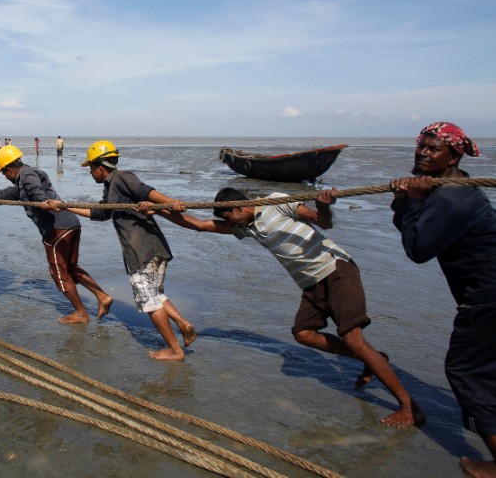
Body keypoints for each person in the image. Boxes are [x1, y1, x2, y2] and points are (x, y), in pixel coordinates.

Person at [163, 186, 425, 428]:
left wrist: (323, 206)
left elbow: (323, 222)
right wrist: (159, 210)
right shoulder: (245, 226)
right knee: (304, 334)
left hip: (335, 269)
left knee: (354, 339)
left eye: (231, 220)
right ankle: (372, 358)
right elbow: (199, 225)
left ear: (239, 208)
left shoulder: (275, 203)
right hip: (310, 282)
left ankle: (409, 407)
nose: (232, 227)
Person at [391, 122, 496, 474]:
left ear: (454, 155)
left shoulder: (451, 198)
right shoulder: (447, 190)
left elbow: (417, 248)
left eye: (433, 148)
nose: (423, 152)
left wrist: (412, 201)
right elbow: (417, 229)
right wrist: (404, 200)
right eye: (421, 145)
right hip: (487, 293)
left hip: (486, 297)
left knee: (466, 371)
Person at [59, 140, 195, 360]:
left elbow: (146, 192)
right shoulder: (110, 187)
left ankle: (175, 350)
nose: (90, 173)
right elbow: (100, 214)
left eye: (91, 169)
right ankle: (183, 324)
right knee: (156, 294)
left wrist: (171, 202)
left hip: (143, 251)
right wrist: (65, 205)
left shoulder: (122, 178)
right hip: (150, 248)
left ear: (100, 167)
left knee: (149, 301)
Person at [0, 145, 113, 324]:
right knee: (71, 268)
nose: (4, 176)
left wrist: (43, 202)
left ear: (9, 170)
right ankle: (102, 296)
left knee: (58, 272)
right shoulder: (21, 183)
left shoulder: (27, 175)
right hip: (70, 224)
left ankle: (81, 312)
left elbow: (36, 192)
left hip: (57, 229)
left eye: (3, 173)